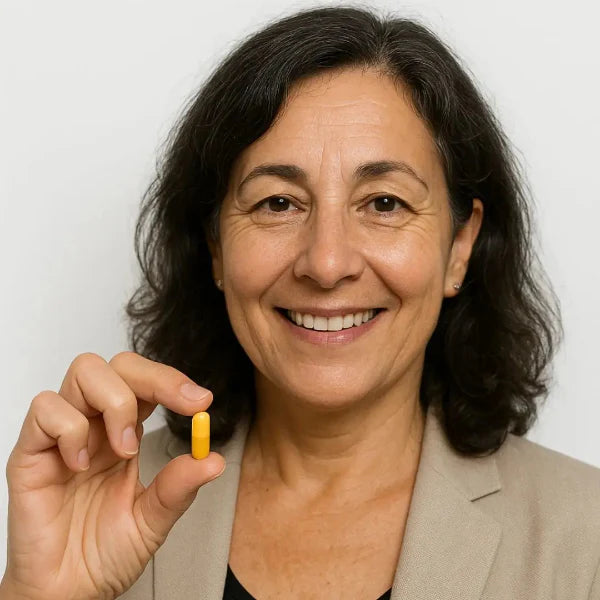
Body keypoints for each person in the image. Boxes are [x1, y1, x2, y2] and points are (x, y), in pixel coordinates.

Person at [1, 5, 599, 600]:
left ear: (459, 248)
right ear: (215, 246)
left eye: (384, 203)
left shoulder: (585, 540)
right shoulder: (107, 505)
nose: (327, 263)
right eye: (278, 203)